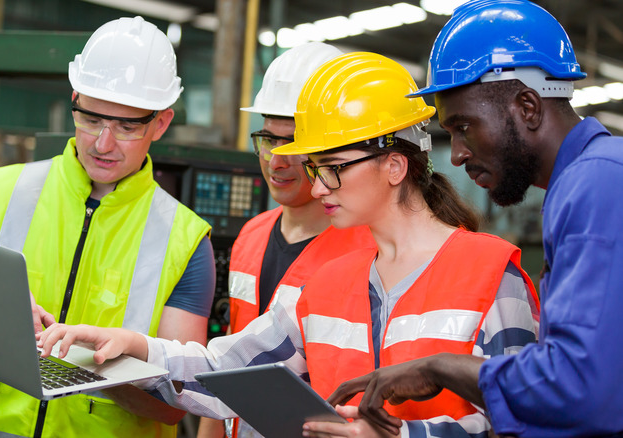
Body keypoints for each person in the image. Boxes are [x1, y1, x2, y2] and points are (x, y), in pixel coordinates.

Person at [35, 52, 540, 438]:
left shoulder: (492, 277)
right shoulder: (322, 285)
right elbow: (224, 372)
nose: (317, 188)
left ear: (394, 165)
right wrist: (134, 348)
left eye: (331, 169)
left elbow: (527, 418)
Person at [0, 16, 215, 438]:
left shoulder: (185, 241)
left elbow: (175, 404)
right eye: (90, 118)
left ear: (160, 123)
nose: (103, 143)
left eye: (126, 126)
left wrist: (92, 364)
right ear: (74, 99)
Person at [324, 1, 623, 437]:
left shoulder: (596, 183)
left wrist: (442, 367)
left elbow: (582, 390)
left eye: (464, 127)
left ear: (527, 107)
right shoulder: (589, 180)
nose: (459, 153)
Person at [197, 42, 378, 438]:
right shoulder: (252, 234)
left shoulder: (368, 251)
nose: (276, 160)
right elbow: (229, 356)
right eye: (268, 139)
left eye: (294, 145)